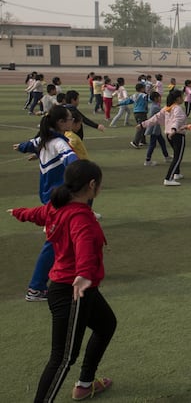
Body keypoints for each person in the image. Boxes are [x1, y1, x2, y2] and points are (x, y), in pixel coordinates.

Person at [8, 160, 116, 402]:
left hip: (80, 288)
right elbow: (84, 246)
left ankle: (85, 385)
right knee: (63, 357)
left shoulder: (58, 207)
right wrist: (84, 274)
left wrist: (19, 213)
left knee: (106, 325)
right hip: (73, 290)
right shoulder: (80, 217)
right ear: (91, 185)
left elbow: (38, 214)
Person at [13, 105, 79, 302]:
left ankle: (72, 272)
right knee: (53, 242)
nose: (71, 121)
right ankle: (36, 288)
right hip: (59, 198)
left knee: (67, 237)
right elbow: (71, 160)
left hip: (51, 197)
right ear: (61, 123)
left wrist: (21, 147)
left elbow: (30, 144)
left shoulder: (45, 138)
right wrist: (82, 172)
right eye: (69, 119)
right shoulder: (59, 143)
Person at [139, 89, 187, 186]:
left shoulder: (167, 108)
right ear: (178, 99)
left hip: (169, 134)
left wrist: (142, 125)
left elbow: (155, 118)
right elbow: (178, 120)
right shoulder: (177, 108)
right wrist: (174, 129)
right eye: (182, 97)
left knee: (176, 154)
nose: (183, 98)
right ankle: (168, 178)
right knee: (178, 157)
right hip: (176, 134)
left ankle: (176, 173)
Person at [143, 91, 171, 167]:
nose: (160, 98)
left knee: (162, 142)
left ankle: (166, 156)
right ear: (155, 98)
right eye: (159, 97)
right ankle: (147, 160)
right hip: (154, 129)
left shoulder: (153, 105)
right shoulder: (155, 107)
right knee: (152, 144)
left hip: (156, 128)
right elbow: (163, 114)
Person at [129, 83, 150, 148]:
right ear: (141, 89)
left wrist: (119, 104)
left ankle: (143, 141)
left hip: (136, 112)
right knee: (141, 127)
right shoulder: (143, 95)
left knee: (143, 126)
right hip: (141, 113)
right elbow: (149, 99)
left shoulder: (134, 95)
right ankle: (135, 142)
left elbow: (128, 101)